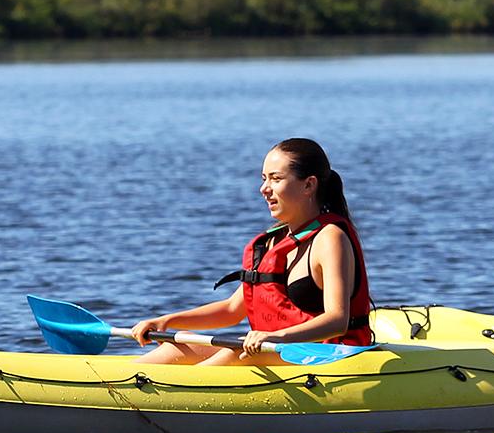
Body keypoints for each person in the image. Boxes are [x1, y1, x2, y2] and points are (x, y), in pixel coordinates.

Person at [128, 138, 373, 364]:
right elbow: (232, 310)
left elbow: (337, 320)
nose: (264, 189)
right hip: (279, 348)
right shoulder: (274, 241)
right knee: (179, 346)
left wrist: (277, 337)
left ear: (309, 185)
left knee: (232, 356)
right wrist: (167, 321)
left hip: (328, 355)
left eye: (276, 179)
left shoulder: (330, 238)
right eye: (264, 178)